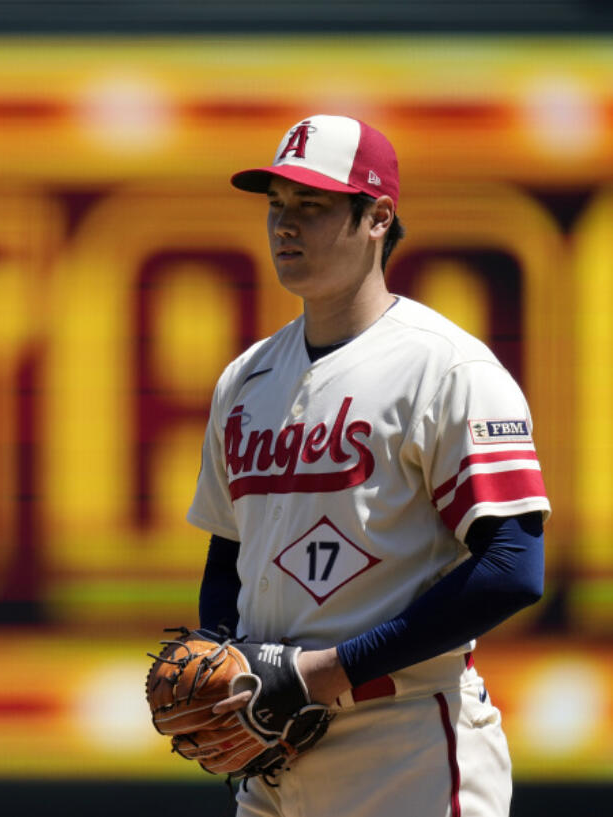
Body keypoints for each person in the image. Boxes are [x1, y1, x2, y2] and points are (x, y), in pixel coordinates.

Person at [186, 114, 549, 817]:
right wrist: (219, 664)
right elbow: (229, 552)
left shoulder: (446, 367)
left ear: (378, 216)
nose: (285, 226)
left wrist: (326, 673)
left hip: (408, 748)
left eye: (312, 207)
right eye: (277, 205)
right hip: (275, 753)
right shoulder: (246, 379)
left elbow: (512, 565)